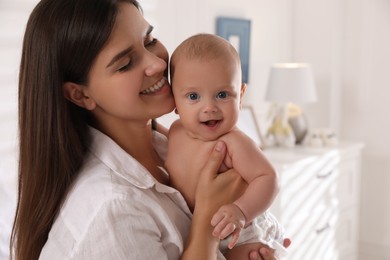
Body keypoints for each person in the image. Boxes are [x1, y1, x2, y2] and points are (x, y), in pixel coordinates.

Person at [9, 0, 286, 259]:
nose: (157, 64)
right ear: (81, 95)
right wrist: (205, 227)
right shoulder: (112, 211)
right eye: (126, 64)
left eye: (149, 40)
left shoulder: (169, 142)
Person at [166, 34, 286, 259]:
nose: (209, 107)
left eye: (222, 95)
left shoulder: (233, 143)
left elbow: (269, 178)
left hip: (241, 231)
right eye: (193, 96)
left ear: (240, 96)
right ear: (175, 101)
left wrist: (241, 210)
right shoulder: (174, 132)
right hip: (199, 229)